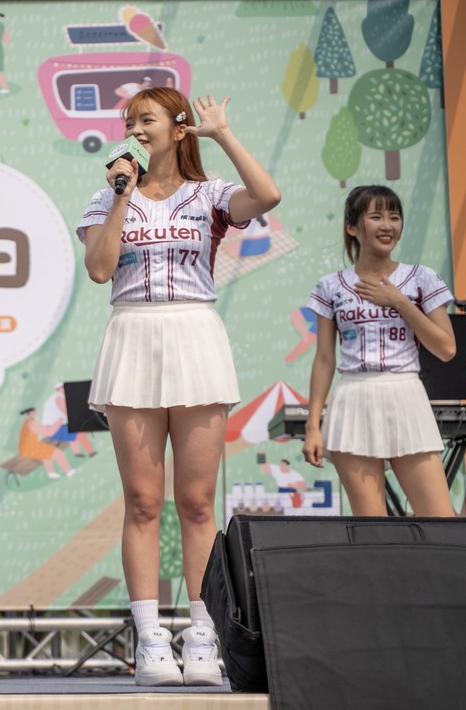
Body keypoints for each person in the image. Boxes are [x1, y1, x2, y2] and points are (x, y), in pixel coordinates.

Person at [77, 87, 281, 687]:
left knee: (196, 502)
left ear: (179, 128)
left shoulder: (210, 195)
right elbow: (99, 269)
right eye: (129, 123)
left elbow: (267, 195)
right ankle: (150, 643)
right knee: (143, 501)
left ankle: (202, 637)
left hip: (194, 333)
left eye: (147, 120)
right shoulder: (106, 196)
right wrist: (122, 192)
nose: (136, 130)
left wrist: (223, 134)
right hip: (132, 335)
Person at [302, 185, 456, 518]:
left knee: (441, 521)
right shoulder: (331, 286)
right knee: (372, 528)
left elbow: (446, 348)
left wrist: (400, 302)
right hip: (353, 398)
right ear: (352, 227)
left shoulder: (421, 278)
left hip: (406, 394)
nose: (387, 225)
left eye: (394, 217)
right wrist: (313, 425)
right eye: (376, 216)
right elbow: (325, 359)